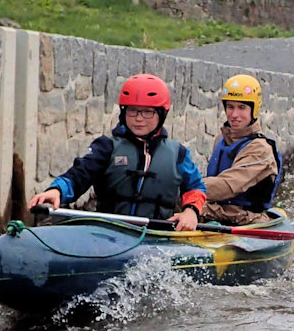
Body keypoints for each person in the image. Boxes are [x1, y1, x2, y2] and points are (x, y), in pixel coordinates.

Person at [27, 74, 206, 231]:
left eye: (147, 112)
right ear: (123, 112)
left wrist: (191, 211)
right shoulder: (106, 147)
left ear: (161, 114)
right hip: (110, 231)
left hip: (157, 234)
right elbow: (80, 173)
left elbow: (195, 187)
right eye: (133, 111)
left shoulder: (178, 154)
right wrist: (57, 190)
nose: (138, 118)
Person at [201, 74, 283, 226]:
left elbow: (228, 185)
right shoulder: (221, 138)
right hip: (217, 211)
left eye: (242, 107)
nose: (234, 115)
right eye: (230, 107)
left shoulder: (260, 149)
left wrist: (188, 189)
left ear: (254, 109)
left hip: (246, 219)